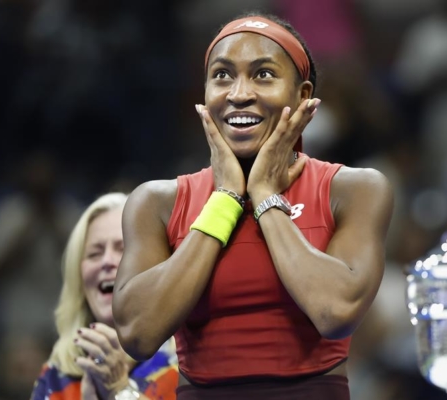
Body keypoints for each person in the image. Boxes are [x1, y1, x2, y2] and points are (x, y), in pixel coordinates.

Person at [113, 12, 393, 399]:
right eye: (222, 75)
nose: (239, 93)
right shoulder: (156, 201)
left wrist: (263, 195)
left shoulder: (353, 188)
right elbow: (138, 334)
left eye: (263, 74)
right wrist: (225, 200)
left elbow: (334, 312)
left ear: (302, 95)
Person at [30, 192, 179, 400]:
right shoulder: (56, 375)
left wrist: (119, 390)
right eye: (94, 253)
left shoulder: (187, 360)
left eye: (123, 249)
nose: (107, 261)